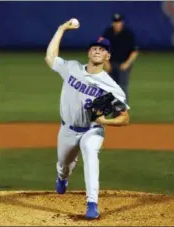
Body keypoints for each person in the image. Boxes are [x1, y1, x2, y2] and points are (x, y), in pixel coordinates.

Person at [45, 19, 130, 219]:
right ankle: (62, 177)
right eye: (94, 48)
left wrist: (105, 122)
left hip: (92, 129)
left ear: (108, 55)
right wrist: (61, 29)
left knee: (90, 153)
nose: (98, 50)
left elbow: (125, 118)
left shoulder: (110, 86)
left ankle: (92, 203)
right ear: (88, 53)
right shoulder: (72, 68)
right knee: (64, 164)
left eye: (102, 49)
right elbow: (50, 58)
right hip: (67, 129)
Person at [102, 13, 139, 100]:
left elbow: (135, 51)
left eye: (118, 22)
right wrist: (106, 63)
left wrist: (127, 64)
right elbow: (102, 49)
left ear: (122, 22)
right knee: (109, 88)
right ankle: (111, 110)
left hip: (124, 64)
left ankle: (122, 111)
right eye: (115, 22)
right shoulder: (108, 32)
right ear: (112, 23)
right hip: (111, 64)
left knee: (122, 88)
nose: (117, 24)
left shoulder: (128, 33)